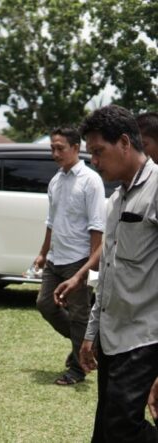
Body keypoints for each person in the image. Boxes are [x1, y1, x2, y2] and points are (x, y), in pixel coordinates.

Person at [56, 105, 158, 442]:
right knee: (105, 431)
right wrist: (91, 333)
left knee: (122, 430)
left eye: (99, 151)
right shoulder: (114, 202)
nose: (94, 161)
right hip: (113, 338)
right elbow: (110, 274)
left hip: (145, 340)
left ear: (125, 143)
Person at [33, 127, 106, 386]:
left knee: (79, 316)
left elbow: (97, 228)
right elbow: (51, 222)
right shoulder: (56, 181)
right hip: (56, 259)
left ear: (76, 148)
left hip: (78, 260)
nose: (55, 153)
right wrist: (43, 253)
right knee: (45, 304)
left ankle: (77, 368)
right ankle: (87, 345)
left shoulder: (90, 180)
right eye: (52, 148)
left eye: (60, 148)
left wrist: (89, 268)